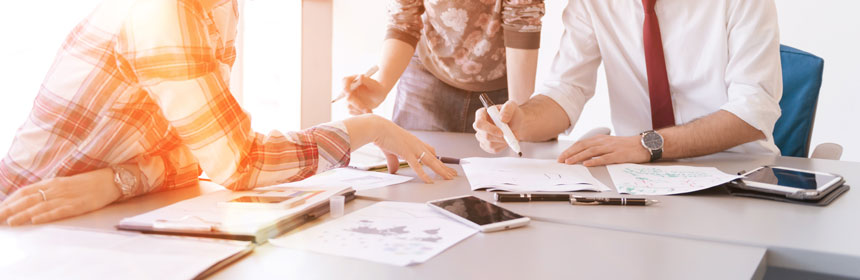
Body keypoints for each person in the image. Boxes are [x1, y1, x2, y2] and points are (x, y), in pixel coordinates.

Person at [0, 0, 456, 226]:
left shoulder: (219, 9)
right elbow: (240, 163)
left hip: (95, 219)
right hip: (28, 221)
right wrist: (368, 126)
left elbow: (199, 151)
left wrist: (120, 180)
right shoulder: (163, 12)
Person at [474, 0, 782, 165]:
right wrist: (520, 121)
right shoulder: (591, 4)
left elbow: (753, 112)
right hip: (638, 178)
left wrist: (647, 144)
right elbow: (566, 89)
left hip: (734, 171)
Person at [340, 0, 545, 132]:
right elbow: (404, 20)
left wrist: (522, 113)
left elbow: (522, 21)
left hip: (503, 86)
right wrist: (382, 85)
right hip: (427, 79)